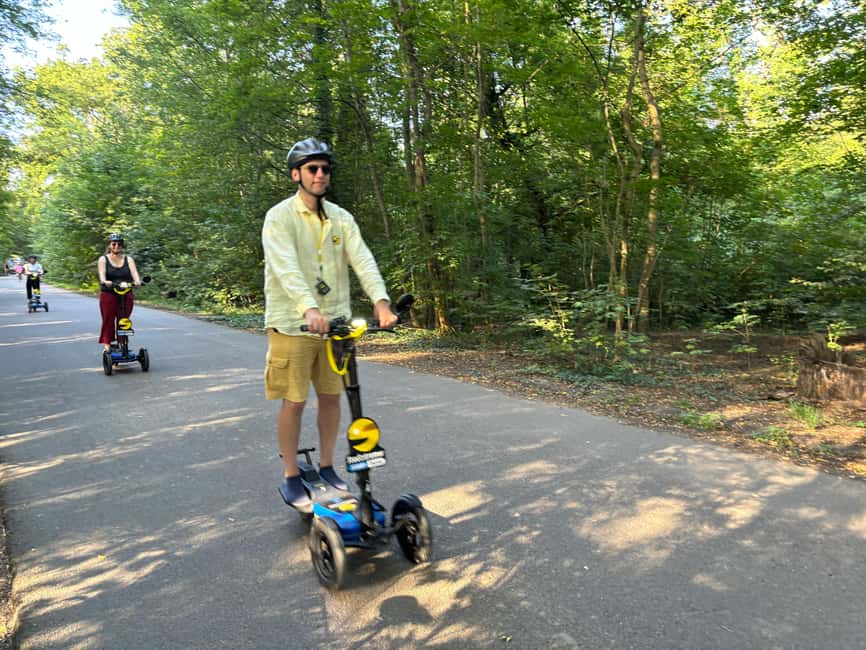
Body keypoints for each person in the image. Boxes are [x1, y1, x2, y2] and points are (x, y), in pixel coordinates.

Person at [262, 137, 397, 510]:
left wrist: (381, 302)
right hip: (293, 324)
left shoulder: (341, 218)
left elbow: (363, 260)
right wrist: (308, 308)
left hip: (335, 325)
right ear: (296, 175)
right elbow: (285, 267)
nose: (320, 174)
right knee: (294, 402)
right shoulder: (279, 217)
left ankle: (326, 467)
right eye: (312, 169)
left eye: (324, 169)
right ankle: (291, 474)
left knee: (332, 398)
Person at [97, 234, 142, 351]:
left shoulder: (128, 259)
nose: (117, 246)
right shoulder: (103, 259)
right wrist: (105, 281)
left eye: (119, 244)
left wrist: (137, 281)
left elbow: (135, 274)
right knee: (108, 319)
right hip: (109, 294)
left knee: (124, 320)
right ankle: (107, 345)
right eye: (114, 244)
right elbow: (102, 275)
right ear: (109, 245)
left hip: (126, 293)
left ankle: (123, 344)